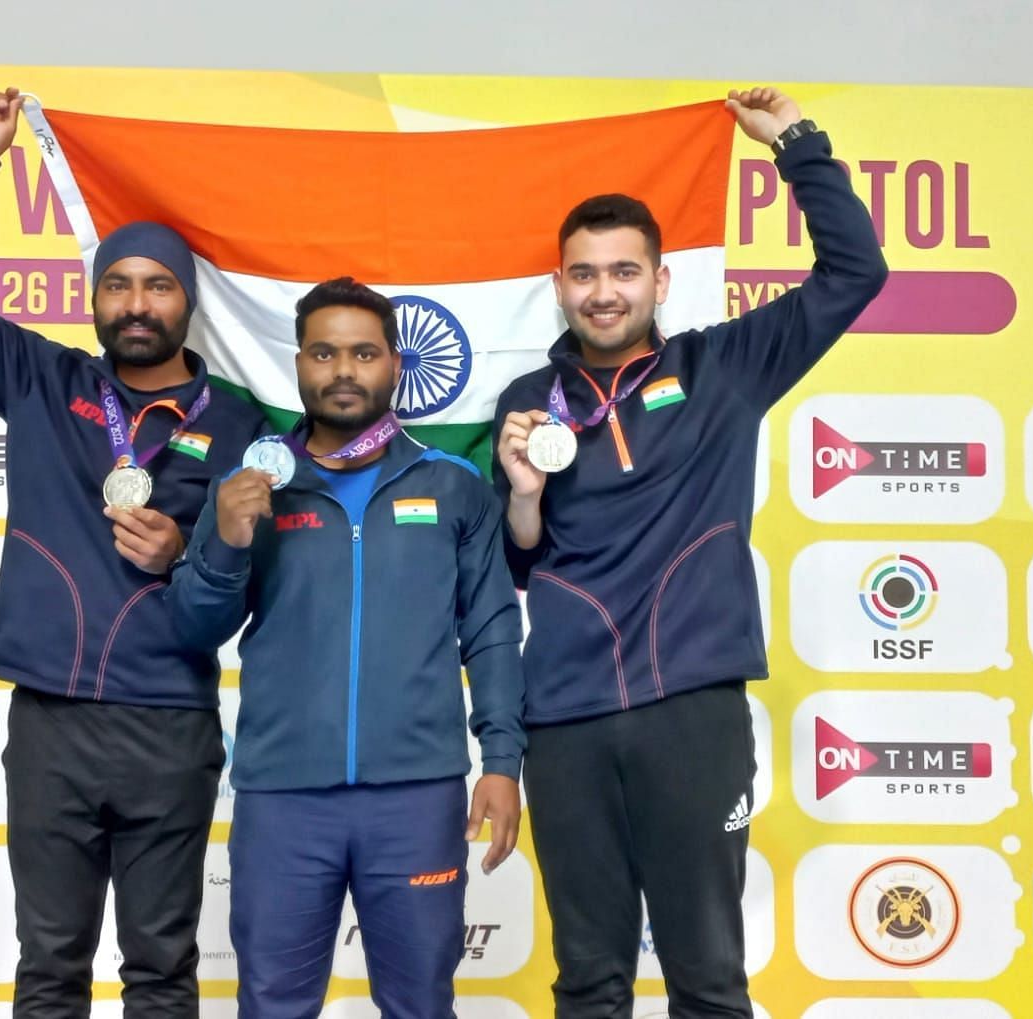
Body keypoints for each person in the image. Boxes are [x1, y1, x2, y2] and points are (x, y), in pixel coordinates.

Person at [492, 87, 889, 1018]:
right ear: (559, 285)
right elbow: (515, 563)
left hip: (694, 715)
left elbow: (855, 272)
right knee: (588, 979)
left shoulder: (723, 367)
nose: (604, 291)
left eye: (624, 271)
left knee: (707, 976)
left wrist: (795, 142)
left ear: (660, 282)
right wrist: (520, 494)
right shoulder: (522, 400)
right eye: (584, 273)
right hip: (568, 720)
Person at [0, 86, 265, 1018]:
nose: (136, 304)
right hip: (51, 719)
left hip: (169, 723)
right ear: (94, 297)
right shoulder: (40, 380)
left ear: (188, 300)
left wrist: (191, 548)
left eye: (158, 284)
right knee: (50, 968)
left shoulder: (240, 424)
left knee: (160, 972)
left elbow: (240, 592)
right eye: (118, 283)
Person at [167, 277, 525, 1018]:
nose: (343, 370)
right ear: (298, 363)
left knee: (420, 1003)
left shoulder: (453, 485)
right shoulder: (253, 487)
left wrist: (502, 760)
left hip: (417, 795)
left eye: (363, 353)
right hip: (284, 798)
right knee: (272, 1004)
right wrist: (227, 543)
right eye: (324, 352)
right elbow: (196, 629)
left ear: (395, 365)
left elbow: (490, 629)